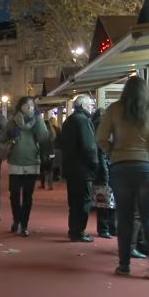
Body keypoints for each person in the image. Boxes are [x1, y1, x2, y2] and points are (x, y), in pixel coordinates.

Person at [96, 76, 149, 279]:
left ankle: (124, 264)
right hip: (148, 166)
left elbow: (101, 137)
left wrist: (113, 151)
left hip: (121, 167)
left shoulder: (114, 109)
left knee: (125, 217)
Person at [1, 96, 48, 237]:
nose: (29, 108)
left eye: (32, 106)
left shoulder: (37, 121)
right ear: (20, 106)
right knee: (14, 195)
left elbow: (44, 137)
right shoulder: (13, 121)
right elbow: (2, 137)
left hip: (32, 161)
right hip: (15, 161)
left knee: (28, 196)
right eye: (26, 105)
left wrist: (39, 122)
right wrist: (9, 134)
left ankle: (24, 224)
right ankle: (17, 220)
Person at [62, 95, 99, 242]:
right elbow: (89, 146)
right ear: (83, 105)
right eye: (90, 104)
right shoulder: (83, 121)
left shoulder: (69, 120)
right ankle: (79, 231)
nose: (92, 107)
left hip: (71, 167)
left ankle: (74, 229)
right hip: (82, 169)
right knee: (83, 201)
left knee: (74, 201)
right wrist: (94, 165)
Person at [92, 108, 116, 239]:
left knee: (104, 199)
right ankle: (107, 228)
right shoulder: (104, 126)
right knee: (107, 199)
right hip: (106, 167)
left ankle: (106, 228)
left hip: (103, 167)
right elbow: (102, 151)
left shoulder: (97, 125)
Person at [40, 120, 57, 190]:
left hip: (44, 153)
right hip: (52, 153)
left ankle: (43, 183)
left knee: (43, 169)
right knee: (50, 169)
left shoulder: (43, 133)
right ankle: (50, 185)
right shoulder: (53, 133)